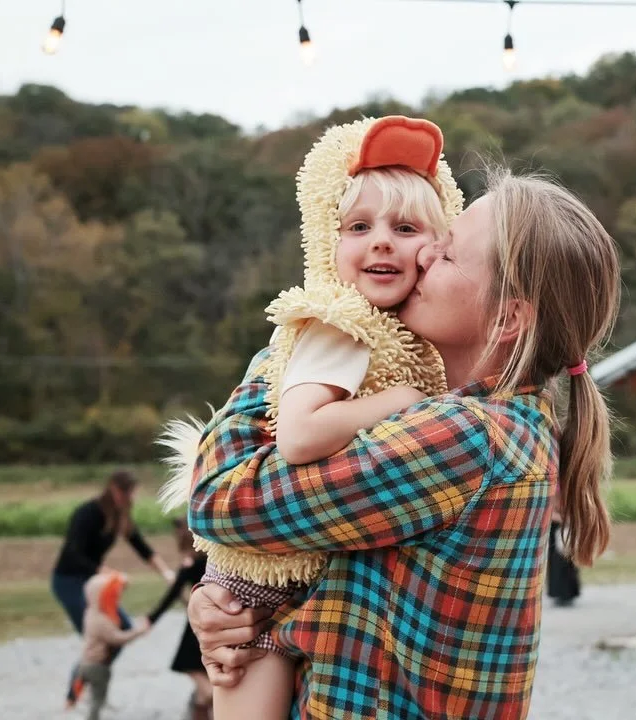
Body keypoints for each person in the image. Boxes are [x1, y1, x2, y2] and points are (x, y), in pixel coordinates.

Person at [184, 166, 620, 719]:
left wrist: (288, 356)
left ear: (509, 317)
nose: (423, 255)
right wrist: (225, 602)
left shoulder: (464, 440)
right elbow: (342, 574)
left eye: (449, 253)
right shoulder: (504, 425)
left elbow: (223, 500)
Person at [158, 116, 461, 720]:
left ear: (439, 245)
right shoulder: (339, 325)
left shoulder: (391, 336)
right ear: (326, 243)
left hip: (298, 575)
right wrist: (399, 404)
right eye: (357, 227)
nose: (381, 242)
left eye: (404, 228)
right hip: (262, 585)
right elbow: (298, 435)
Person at [51, 469, 174, 703]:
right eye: (128, 494)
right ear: (115, 490)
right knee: (99, 639)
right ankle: (75, 692)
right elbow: (73, 552)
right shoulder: (88, 513)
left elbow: (142, 547)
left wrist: (167, 573)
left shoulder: (120, 517)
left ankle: (92, 687)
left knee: (120, 630)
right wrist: (104, 571)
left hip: (93, 582)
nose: (131, 499)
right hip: (68, 581)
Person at [145, 518, 211, 720]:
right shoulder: (213, 560)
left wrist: (151, 619)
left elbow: (172, 594)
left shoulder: (189, 565)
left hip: (198, 625)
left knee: (191, 668)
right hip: (214, 620)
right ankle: (201, 708)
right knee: (206, 670)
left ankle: (210, 700)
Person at [75, 572, 151, 720]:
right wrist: (139, 631)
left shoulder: (89, 613)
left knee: (92, 696)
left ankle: (76, 702)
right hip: (98, 666)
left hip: (85, 664)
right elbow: (117, 638)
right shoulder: (101, 620)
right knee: (98, 701)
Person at [547, 508, 581, 607]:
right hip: (557, 528)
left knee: (568, 561)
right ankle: (561, 593)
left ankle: (567, 593)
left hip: (564, 526)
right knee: (558, 562)